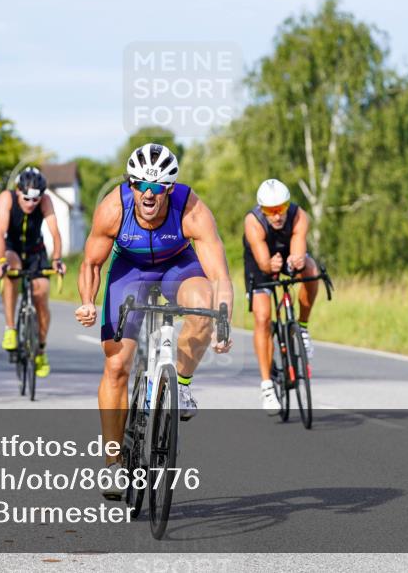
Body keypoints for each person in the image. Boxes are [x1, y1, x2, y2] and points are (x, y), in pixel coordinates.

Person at [75, 143, 233, 493]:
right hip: (130, 271)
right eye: (141, 185)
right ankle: (113, 463)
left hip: (178, 266)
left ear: (169, 188)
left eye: (157, 187)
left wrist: (223, 322)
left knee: (203, 306)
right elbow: (91, 264)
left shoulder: (191, 210)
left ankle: (183, 384)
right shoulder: (113, 209)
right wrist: (87, 302)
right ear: (131, 184)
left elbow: (220, 275)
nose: (148, 193)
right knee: (117, 364)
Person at [243, 178, 322, 415]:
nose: (277, 216)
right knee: (262, 317)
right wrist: (270, 266)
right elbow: (263, 263)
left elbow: (298, 249)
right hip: (260, 261)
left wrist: (295, 262)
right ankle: (267, 386)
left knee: (311, 270)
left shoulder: (299, 216)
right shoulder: (253, 222)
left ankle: (303, 328)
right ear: (262, 209)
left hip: (287, 253)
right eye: (270, 211)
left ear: (288, 205)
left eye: (281, 209)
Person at [0, 167, 65, 377]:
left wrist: (57, 259)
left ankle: (41, 348)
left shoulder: (45, 200)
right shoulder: (6, 198)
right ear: (18, 191)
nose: (31, 203)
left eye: (36, 199)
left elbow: (55, 233)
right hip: (12, 249)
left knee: (41, 294)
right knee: (12, 271)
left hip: (35, 251)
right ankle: (10, 328)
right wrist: (1, 261)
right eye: (26, 198)